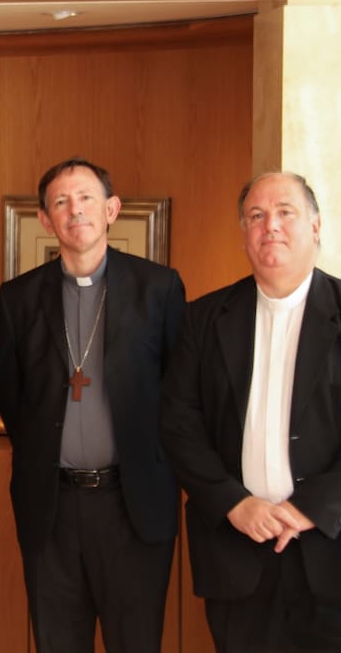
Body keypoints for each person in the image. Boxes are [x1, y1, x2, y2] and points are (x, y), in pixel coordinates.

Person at [0, 157, 185, 653]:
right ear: (46, 219)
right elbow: (12, 399)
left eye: (86, 199)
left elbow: (179, 392)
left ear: (111, 209)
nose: (74, 210)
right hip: (52, 508)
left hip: (134, 504)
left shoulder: (159, 289)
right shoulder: (18, 299)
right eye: (61, 202)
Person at [161, 172, 341, 652]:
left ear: (317, 225)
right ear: (243, 232)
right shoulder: (204, 318)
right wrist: (234, 503)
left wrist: (312, 508)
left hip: (330, 552)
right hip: (235, 551)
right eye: (256, 217)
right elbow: (179, 425)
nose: (271, 227)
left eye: (286, 213)